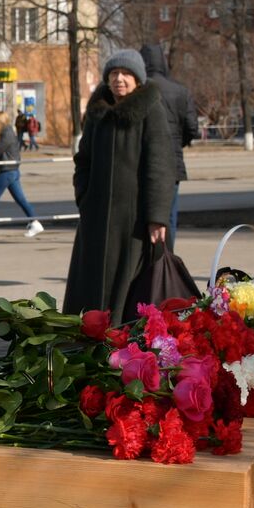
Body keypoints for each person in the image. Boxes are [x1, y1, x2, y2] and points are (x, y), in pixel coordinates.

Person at [62, 49, 175, 319]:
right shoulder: (98, 111)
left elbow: (160, 166)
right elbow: (83, 159)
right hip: (96, 216)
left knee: (130, 284)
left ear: (138, 79)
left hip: (133, 220)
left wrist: (157, 217)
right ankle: (90, 334)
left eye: (126, 74)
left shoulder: (151, 110)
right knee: (92, 282)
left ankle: (122, 338)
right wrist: (84, 196)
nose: (119, 79)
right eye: (114, 73)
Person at [140, 43, 194, 248]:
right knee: (168, 217)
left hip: (144, 163)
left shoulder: (140, 90)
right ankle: (166, 258)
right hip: (173, 164)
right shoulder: (180, 91)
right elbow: (192, 127)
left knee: (144, 215)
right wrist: (179, 144)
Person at [0, 110, 42, 237]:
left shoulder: (6, 132)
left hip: (7, 170)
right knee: (21, 200)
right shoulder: (8, 132)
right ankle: (35, 222)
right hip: (11, 170)